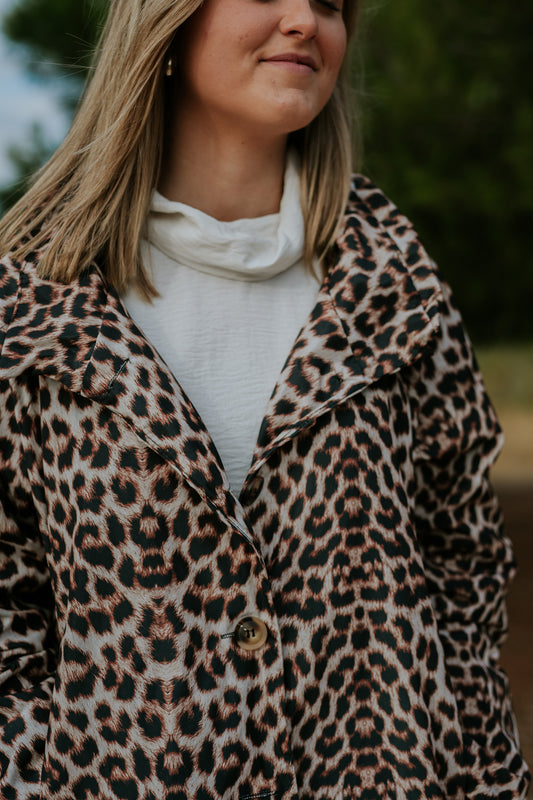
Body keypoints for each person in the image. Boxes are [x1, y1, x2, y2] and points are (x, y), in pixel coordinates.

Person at [0, 0, 529, 797]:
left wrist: (481, 771)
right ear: (167, 22)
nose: (304, 21)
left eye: (329, 3)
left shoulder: (395, 285)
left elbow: (463, 569)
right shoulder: (36, 295)